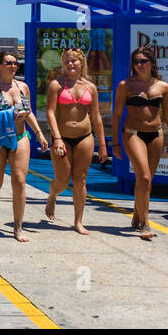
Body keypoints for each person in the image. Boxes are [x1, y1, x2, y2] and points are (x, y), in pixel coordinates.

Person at [112, 46, 168, 241]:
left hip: (156, 135)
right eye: (136, 62)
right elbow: (118, 115)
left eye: (143, 61)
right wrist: (115, 143)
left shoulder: (163, 87)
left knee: (147, 180)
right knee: (143, 176)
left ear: (152, 63)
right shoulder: (125, 85)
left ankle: (138, 215)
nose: (139, 65)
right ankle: (145, 223)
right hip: (133, 133)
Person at [0, 51, 48, 242]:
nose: (13, 66)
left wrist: (39, 133)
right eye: (9, 63)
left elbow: (29, 111)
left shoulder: (22, 86)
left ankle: (18, 227)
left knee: (19, 180)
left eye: (16, 63)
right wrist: (5, 114)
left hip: (20, 136)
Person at [44, 48, 110, 235]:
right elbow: (50, 112)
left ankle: (78, 221)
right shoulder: (56, 85)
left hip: (85, 137)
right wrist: (56, 137)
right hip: (62, 138)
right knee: (63, 181)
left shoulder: (91, 87)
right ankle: (52, 194)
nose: (70, 64)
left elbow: (96, 117)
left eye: (74, 61)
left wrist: (103, 145)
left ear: (82, 63)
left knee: (80, 179)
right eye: (67, 61)